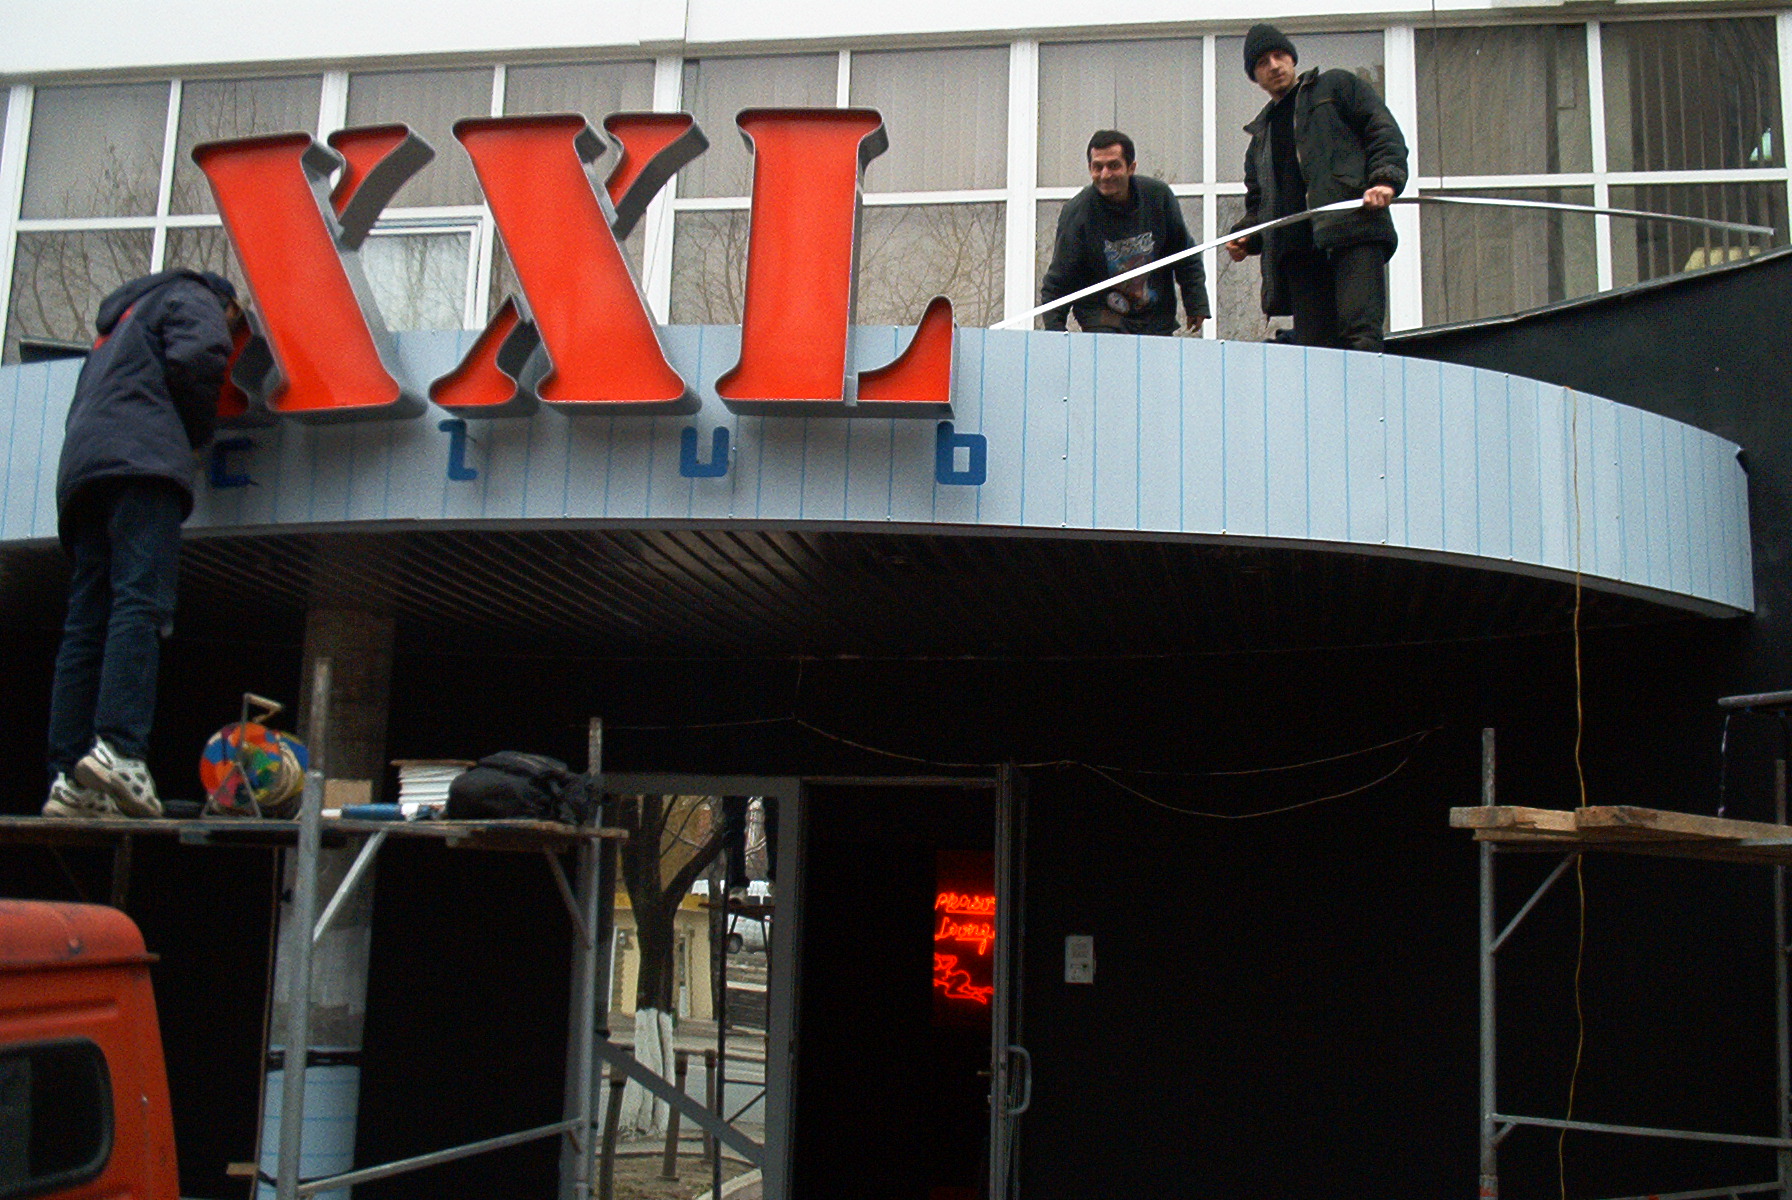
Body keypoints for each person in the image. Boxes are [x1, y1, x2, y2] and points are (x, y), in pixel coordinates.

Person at [42, 269, 244, 819]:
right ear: (227, 303)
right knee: (141, 604)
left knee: (85, 624)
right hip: (142, 464)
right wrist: (196, 435)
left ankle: (68, 777)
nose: (230, 333)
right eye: (234, 324)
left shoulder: (119, 325)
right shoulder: (194, 296)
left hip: (83, 472)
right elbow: (200, 357)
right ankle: (120, 750)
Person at [1225, 24, 1408, 351]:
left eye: (1279, 56)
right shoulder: (1260, 139)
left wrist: (1385, 180)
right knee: (1315, 355)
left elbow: (1382, 130)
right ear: (1255, 77)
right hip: (1299, 254)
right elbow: (1260, 205)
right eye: (1263, 63)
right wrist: (1246, 237)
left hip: (1352, 231)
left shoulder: (1335, 87)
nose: (1274, 66)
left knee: (1361, 338)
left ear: (1293, 59)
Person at [1040, 130, 1209, 336]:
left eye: (1113, 166)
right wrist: (1055, 333)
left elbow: (1184, 254)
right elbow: (1059, 280)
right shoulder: (1077, 213)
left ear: (1131, 168)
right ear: (1090, 169)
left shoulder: (1157, 197)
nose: (1105, 175)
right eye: (1097, 167)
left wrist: (1196, 302)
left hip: (1155, 319)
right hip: (1103, 320)